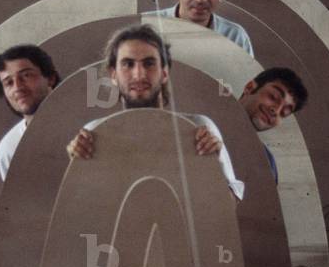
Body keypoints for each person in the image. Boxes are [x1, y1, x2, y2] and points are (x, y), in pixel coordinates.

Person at [66, 24, 244, 200]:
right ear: (113, 74)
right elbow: (84, 209)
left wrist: (215, 161)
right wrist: (77, 164)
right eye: (128, 64)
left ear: (164, 73)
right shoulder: (96, 132)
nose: (139, 74)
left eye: (149, 63)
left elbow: (227, 209)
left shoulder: (198, 128)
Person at [0, 44, 60, 181]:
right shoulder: (9, 148)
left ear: (50, 78)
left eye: (26, 76)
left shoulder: (84, 124)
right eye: (8, 83)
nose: (18, 87)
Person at [239, 67, 308, 183]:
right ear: (249, 88)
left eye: (284, 112)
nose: (276, 111)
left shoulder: (266, 162)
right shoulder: (204, 113)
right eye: (273, 97)